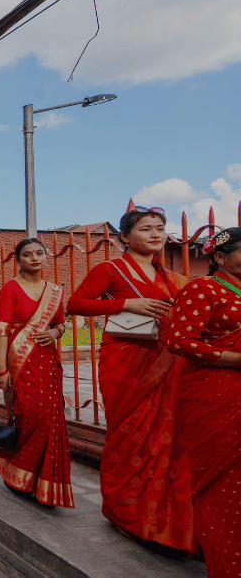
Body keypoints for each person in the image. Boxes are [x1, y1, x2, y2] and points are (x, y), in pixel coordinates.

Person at [67, 207, 197, 553]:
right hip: (125, 362)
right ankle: (123, 510)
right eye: (146, 229)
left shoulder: (172, 277)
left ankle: (162, 518)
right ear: (125, 236)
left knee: (167, 439)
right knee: (129, 434)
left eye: (161, 228)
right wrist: (128, 304)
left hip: (167, 362)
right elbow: (75, 304)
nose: (156, 235)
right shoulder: (110, 269)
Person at [166, 228, 241, 574]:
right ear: (220, 258)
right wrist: (236, 359)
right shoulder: (203, 288)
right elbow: (179, 341)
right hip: (215, 392)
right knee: (223, 479)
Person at [0, 239, 73, 508]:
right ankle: (14, 469)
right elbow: (2, 331)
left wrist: (53, 332)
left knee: (50, 419)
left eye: (39, 253)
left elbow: (61, 325)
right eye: (27, 255)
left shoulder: (55, 291)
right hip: (19, 361)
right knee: (29, 416)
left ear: (46, 257)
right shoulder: (10, 289)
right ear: (19, 260)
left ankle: (41, 481)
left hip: (47, 362)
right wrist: (1, 369)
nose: (34, 258)